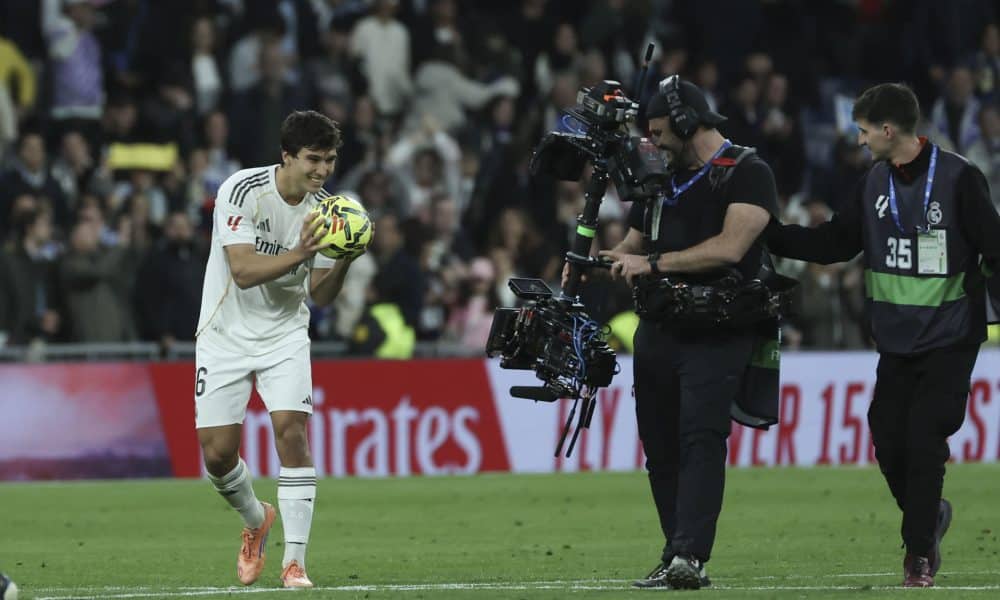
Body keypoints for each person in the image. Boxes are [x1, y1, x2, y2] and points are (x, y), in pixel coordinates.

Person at [766, 82, 1000, 587]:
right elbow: (835, 243)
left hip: (949, 337)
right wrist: (771, 232)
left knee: (924, 439)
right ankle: (931, 515)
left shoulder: (960, 179)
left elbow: (995, 246)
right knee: (886, 439)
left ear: (889, 130)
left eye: (865, 130)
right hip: (896, 341)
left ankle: (918, 555)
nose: (861, 139)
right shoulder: (873, 182)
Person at [564, 76, 779, 589]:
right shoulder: (659, 179)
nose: (653, 143)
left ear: (687, 123)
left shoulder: (748, 172)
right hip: (659, 328)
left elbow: (730, 248)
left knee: (701, 437)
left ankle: (690, 555)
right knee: (660, 446)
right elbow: (635, 242)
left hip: (718, 327)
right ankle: (675, 552)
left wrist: (652, 263)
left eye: (659, 132)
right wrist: (599, 260)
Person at [195, 110, 365, 589]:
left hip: (285, 334)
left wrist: (345, 262)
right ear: (287, 156)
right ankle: (256, 519)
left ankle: (295, 563)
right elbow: (244, 271)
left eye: (329, 160)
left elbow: (320, 293)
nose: (321, 171)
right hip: (224, 332)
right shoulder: (242, 190)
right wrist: (303, 252)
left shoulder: (330, 212)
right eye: (313, 159)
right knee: (217, 455)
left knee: (292, 434)